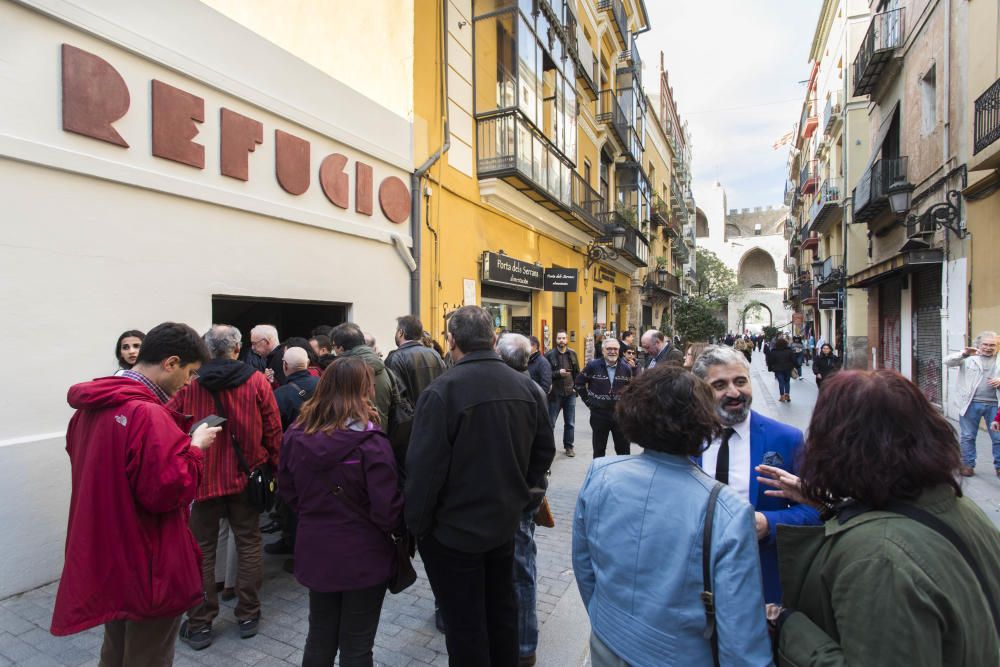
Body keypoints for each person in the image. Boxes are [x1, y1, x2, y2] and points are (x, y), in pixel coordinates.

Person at [759, 370, 1000, 665]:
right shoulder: (956, 506)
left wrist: (786, 626)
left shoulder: (877, 557)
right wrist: (828, 506)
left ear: (834, 446)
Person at [573, 366, 773, 667]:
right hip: (682, 654)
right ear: (705, 421)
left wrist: (609, 621)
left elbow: (585, 565)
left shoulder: (600, 475)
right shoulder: (728, 511)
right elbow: (742, 639)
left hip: (606, 640)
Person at [51, 323, 219, 666]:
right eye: (189, 373)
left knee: (115, 646)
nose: (188, 383)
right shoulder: (147, 413)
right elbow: (166, 490)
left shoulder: (92, 405)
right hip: (147, 557)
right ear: (171, 363)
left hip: (110, 547)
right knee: (148, 653)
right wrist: (195, 448)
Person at [405, 306, 555, 667]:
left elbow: (424, 470)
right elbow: (543, 454)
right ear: (492, 340)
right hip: (502, 525)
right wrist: (522, 496)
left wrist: (418, 526)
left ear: (452, 340)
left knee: (465, 624)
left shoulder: (442, 391)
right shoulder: (527, 387)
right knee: (502, 611)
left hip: (454, 533)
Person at [279, 356, 403, 667]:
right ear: (364, 390)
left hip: (315, 547)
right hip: (364, 553)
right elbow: (387, 509)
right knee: (357, 645)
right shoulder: (371, 442)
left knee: (319, 637)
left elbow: (288, 491)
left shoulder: (295, 435)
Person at [168, 325, 282, 649]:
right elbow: (273, 428)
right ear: (237, 348)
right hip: (246, 478)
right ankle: (248, 614)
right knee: (248, 543)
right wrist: (275, 465)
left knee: (202, 551)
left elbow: (171, 423)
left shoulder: (191, 384)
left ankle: (201, 623)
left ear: (207, 350)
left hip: (202, 478)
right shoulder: (256, 380)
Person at [692, 345, 819, 603]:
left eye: (741, 381)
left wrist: (768, 523)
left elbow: (815, 511)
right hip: (693, 583)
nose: (734, 392)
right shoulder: (683, 438)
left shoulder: (785, 438)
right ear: (700, 391)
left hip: (759, 584)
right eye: (720, 385)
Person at [496, 333, 548, 667]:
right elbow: (545, 451)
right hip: (524, 495)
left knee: (519, 568)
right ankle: (524, 644)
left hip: (510, 497)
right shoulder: (535, 390)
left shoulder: (512, 389)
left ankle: (525, 644)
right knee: (522, 567)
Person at [944, 331, 1000, 477]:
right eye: (985, 344)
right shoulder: (969, 357)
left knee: (998, 438)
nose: (988, 347)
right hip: (970, 403)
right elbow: (947, 362)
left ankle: (999, 466)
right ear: (979, 344)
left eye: (992, 345)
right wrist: (964, 353)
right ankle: (968, 465)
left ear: (997, 345)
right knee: (968, 436)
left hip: (996, 405)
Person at [575, 338, 632, 458]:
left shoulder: (626, 368)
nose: (612, 351)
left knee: (623, 450)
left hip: (619, 415)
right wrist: (589, 402)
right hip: (599, 415)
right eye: (609, 349)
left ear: (619, 350)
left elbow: (631, 390)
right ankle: (598, 474)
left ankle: (623, 475)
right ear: (603, 351)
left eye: (615, 349)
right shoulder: (593, 366)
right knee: (599, 449)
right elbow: (579, 383)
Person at [331, 322, 392, 426]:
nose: (333, 351)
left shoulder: (345, 370)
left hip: (357, 434)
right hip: (379, 433)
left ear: (340, 348)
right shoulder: (383, 366)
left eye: (333, 346)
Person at [385, 315, 447, 403]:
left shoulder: (395, 358)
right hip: (433, 414)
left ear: (401, 332)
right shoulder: (435, 355)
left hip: (410, 416)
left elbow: (397, 399)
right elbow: (444, 387)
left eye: (397, 330)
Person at [544, 330, 580, 458]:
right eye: (559, 338)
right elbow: (546, 374)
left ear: (567, 340)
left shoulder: (573, 354)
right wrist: (558, 373)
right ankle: (548, 447)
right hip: (555, 393)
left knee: (570, 422)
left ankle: (569, 446)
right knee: (551, 422)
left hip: (570, 393)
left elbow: (577, 372)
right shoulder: (549, 355)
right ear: (556, 340)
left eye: (563, 338)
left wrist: (576, 387)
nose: (561, 340)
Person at [274, 346, 320, 430]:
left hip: (296, 441)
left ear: (285, 365)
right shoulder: (323, 383)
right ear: (308, 363)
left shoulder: (279, 394)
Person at [766, 337, 796, 402]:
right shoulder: (789, 350)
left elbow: (770, 361)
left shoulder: (774, 351)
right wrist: (793, 366)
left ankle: (782, 396)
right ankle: (787, 395)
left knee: (781, 382)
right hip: (788, 368)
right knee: (787, 382)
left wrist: (770, 368)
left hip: (778, 369)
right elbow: (793, 359)